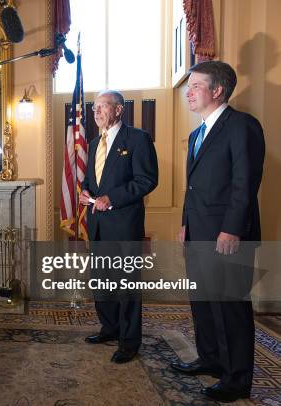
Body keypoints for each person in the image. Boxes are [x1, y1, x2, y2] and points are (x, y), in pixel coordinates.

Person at [171, 61, 265, 402]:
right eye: (188, 86)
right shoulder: (198, 133)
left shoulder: (241, 125)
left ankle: (236, 379)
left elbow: (245, 183)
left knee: (229, 309)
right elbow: (193, 187)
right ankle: (210, 358)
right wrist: (186, 224)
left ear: (217, 90)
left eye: (195, 85)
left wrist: (231, 229)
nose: (188, 91)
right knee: (203, 303)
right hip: (198, 232)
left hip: (228, 235)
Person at [78, 90, 158, 364]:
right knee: (101, 281)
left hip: (124, 225)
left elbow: (146, 180)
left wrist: (112, 198)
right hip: (98, 225)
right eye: (95, 108)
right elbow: (92, 180)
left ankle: (128, 341)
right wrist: (85, 191)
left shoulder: (137, 139)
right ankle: (109, 328)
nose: (97, 112)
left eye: (103, 107)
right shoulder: (92, 143)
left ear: (119, 110)